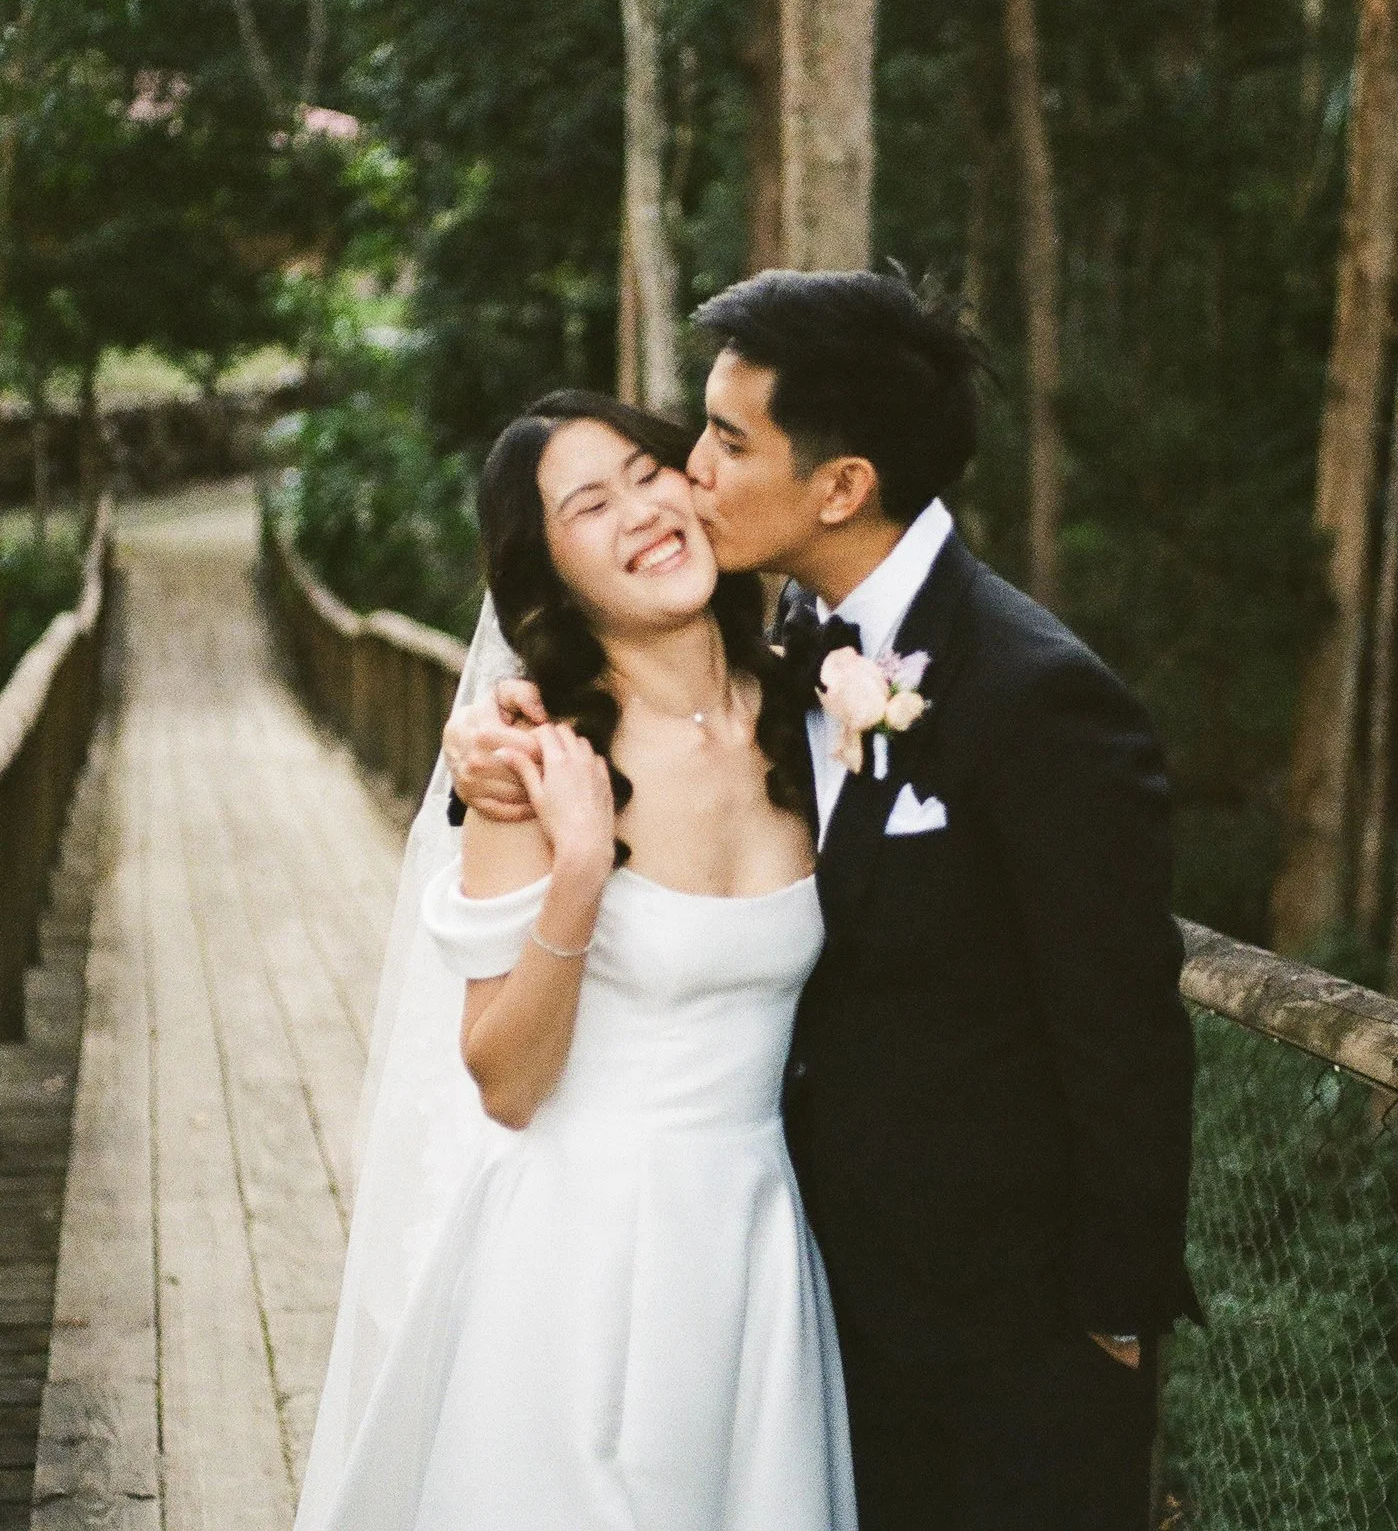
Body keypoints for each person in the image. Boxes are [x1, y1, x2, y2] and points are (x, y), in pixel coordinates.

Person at [446, 269, 1201, 1531]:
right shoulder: (783, 649)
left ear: (840, 486)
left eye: (726, 441)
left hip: (1007, 1333)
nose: (688, 470)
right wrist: (497, 761)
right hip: (809, 1292)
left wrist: (1110, 1321)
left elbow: (1123, 1027)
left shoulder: (1038, 696)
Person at [290, 391, 856, 1531]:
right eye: (590, 506)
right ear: (546, 580)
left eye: (649, 472)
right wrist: (582, 872)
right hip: (579, 1255)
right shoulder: (533, 757)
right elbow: (502, 1076)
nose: (643, 511)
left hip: (753, 1236)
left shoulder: (810, 704)